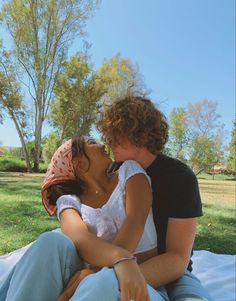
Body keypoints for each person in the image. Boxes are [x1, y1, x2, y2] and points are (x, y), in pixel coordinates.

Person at [0, 135, 167, 301]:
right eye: (92, 143)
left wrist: (98, 270)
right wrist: (118, 259)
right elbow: (80, 238)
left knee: (101, 281)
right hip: (91, 281)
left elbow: (135, 219)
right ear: (79, 164)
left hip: (144, 283)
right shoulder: (70, 201)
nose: (103, 145)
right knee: (49, 241)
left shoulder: (129, 171)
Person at [86, 95, 213, 301]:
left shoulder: (179, 177)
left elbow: (177, 258)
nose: (109, 141)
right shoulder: (113, 172)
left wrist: (124, 281)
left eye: (117, 133)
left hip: (173, 274)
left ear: (141, 135)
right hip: (120, 266)